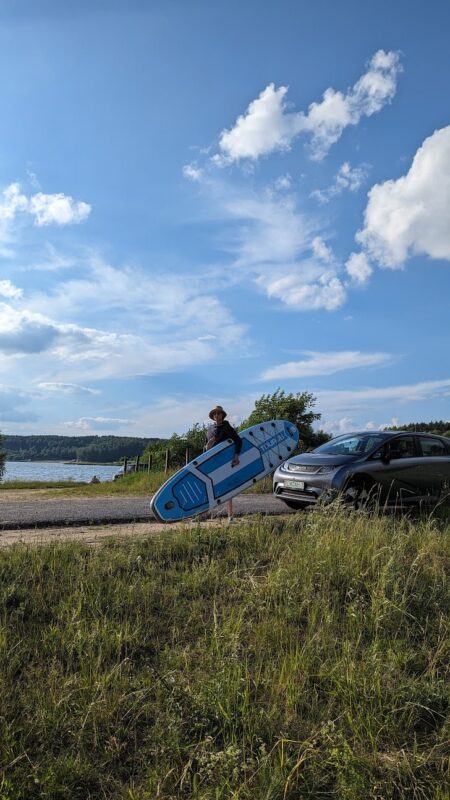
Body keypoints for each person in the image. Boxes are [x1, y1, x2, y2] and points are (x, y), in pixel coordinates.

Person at [203, 405, 241, 522]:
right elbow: (205, 448)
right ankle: (203, 515)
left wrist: (236, 456)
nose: (216, 415)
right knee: (208, 487)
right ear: (212, 416)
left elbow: (238, 441)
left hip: (225, 462)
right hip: (212, 462)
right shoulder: (209, 429)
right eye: (214, 413)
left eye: (219, 413)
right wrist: (206, 448)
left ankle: (230, 516)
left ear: (222, 415)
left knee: (227, 486)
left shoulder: (227, 427)